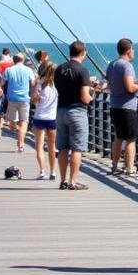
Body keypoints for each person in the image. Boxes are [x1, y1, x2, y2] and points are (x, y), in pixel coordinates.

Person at [106, 38, 138, 176]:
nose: (134, 52)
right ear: (129, 50)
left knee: (119, 137)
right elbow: (130, 88)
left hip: (114, 105)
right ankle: (129, 168)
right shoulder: (127, 66)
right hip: (127, 107)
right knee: (131, 138)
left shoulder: (112, 64)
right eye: (133, 49)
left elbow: (110, 84)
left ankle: (114, 166)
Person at [54, 40, 94, 191]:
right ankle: (73, 181)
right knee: (77, 148)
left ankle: (63, 181)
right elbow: (85, 96)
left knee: (62, 148)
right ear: (83, 53)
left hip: (61, 111)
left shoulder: (59, 69)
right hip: (77, 111)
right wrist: (93, 96)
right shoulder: (83, 70)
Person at [3, 53, 36, 153]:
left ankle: (20, 144)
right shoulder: (28, 70)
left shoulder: (8, 70)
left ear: (13, 60)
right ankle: (21, 137)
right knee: (23, 122)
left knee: (11, 123)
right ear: (23, 60)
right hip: (25, 99)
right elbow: (33, 83)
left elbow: (2, 83)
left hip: (12, 98)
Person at [31, 59, 58, 180]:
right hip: (52, 118)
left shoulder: (39, 83)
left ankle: (42, 171)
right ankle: (53, 172)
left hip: (39, 117)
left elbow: (34, 100)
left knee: (39, 146)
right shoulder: (57, 85)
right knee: (52, 146)